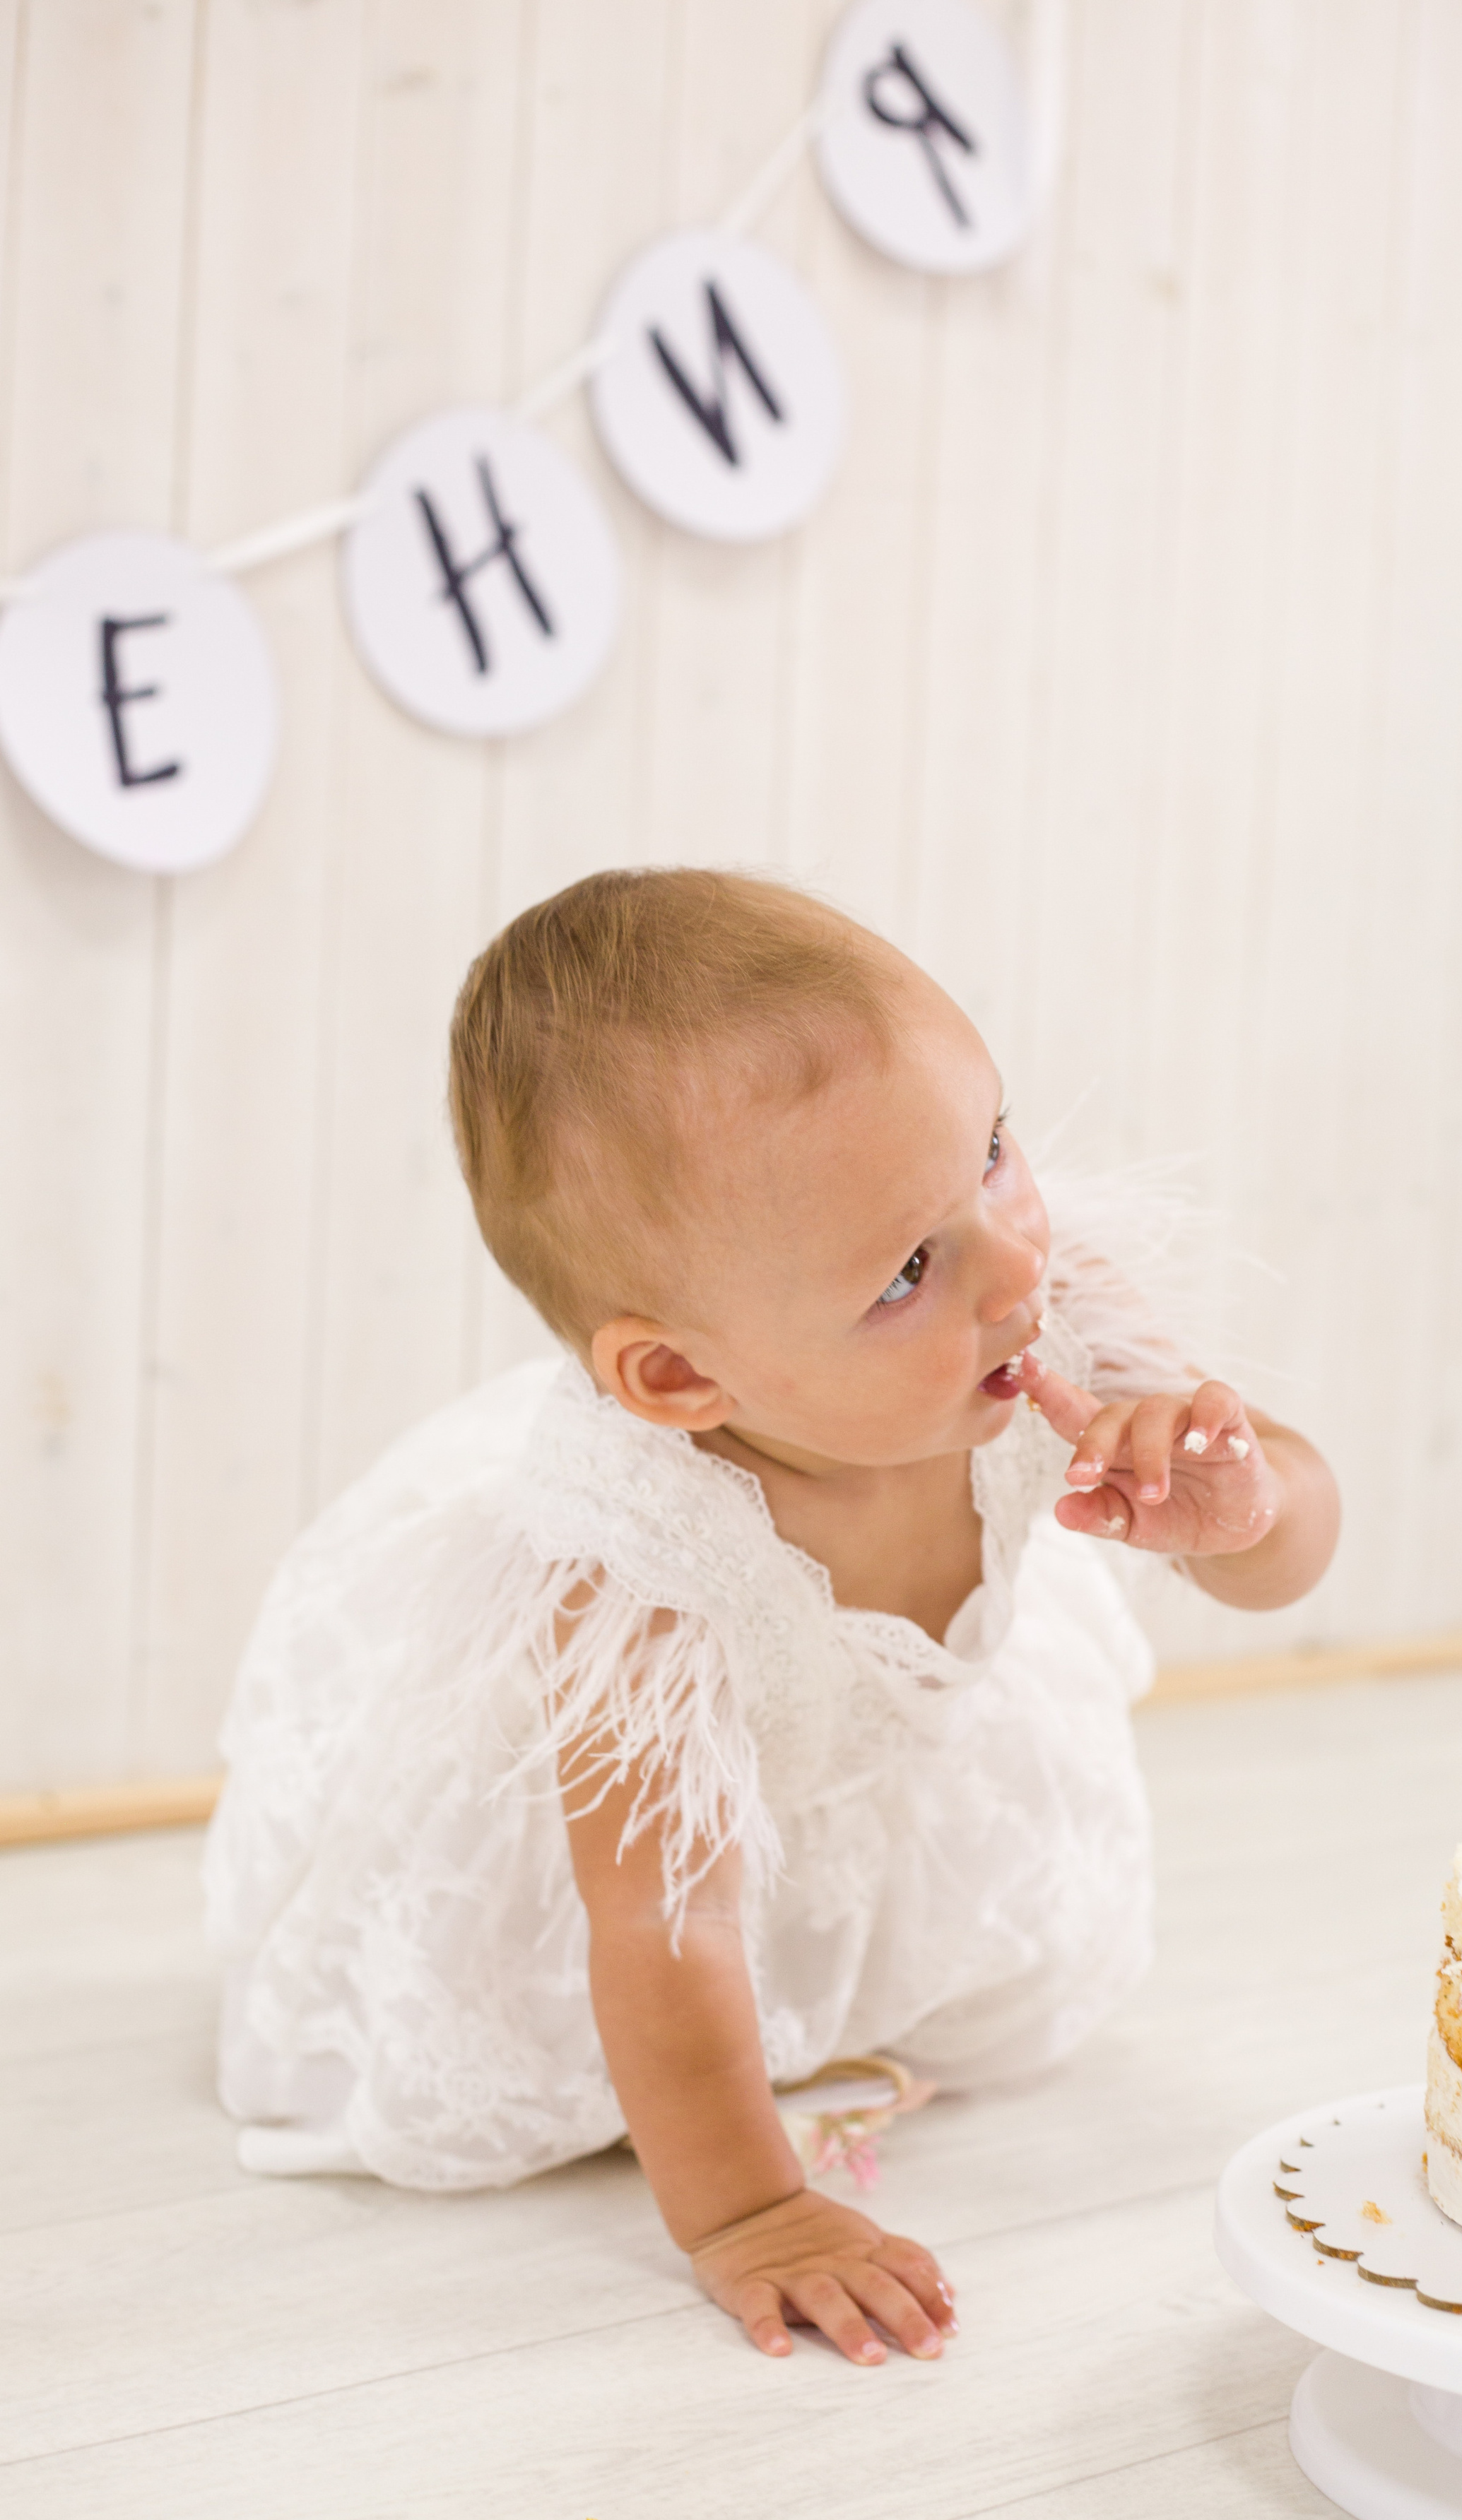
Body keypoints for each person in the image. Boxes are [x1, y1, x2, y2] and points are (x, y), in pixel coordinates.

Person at [205, 868, 1339, 2369]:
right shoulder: (637, 1578)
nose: (1013, 1269)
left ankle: (838, 1995)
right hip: (624, 1851)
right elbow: (663, 1918)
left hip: (860, 1762)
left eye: (989, 1150)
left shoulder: (1051, 1310)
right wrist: (748, 2212)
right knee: (632, 1988)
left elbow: (1283, 1560)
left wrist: (1243, 1516)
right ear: (681, 1383)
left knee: (952, 1958)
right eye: (907, 1272)